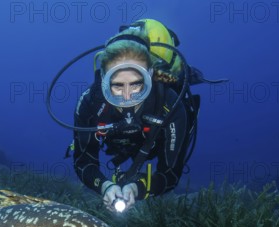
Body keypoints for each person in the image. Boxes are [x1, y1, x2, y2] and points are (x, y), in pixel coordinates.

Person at [73, 25, 195, 213]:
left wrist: (137, 189)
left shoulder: (172, 106)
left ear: (151, 76)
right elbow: (83, 162)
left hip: (152, 142)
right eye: (118, 86)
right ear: (104, 80)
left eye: (137, 85)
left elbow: (170, 174)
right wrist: (105, 186)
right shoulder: (90, 103)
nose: (128, 98)